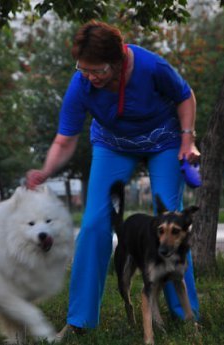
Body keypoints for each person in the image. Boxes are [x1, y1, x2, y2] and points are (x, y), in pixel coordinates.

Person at [25, 20, 201, 335]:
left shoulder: (151, 66)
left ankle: (186, 317)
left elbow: (185, 96)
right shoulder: (81, 84)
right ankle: (79, 321)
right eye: (83, 69)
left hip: (163, 140)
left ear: (118, 61)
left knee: (168, 218)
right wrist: (46, 170)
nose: (90, 77)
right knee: (93, 224)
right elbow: (65, 139)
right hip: (113, 144)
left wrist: (188, 138)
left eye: (98, 71)